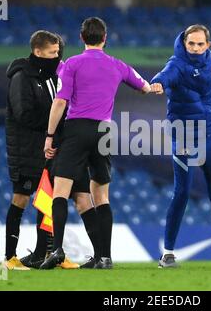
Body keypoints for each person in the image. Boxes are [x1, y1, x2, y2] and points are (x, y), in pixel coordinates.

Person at [40, 17, 151, 270]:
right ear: (105, 38)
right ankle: (104, 257)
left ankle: (57, 249)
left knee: (60, 190)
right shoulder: (118, 65)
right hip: (103, 131)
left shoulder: (71, 65)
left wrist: (49, 135)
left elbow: (60, 102)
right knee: (101, 196)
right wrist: (153, 87)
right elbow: (144, 86)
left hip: (76, 129)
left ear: (82, 38)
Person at [3, 31, 97, 270]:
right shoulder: (22, 76)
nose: (57, 57)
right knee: (21, 198)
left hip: (53, 148)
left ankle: (46, 253)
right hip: (27, 148)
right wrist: (53, 124)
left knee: (49, 200)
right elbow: (23, 113)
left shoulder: (57, 75)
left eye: (58, 52)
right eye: (52, 53)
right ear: (38, 52)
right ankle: (10, 257)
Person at [150, 25, 211, 268]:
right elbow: (165, 75)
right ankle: (167, 253)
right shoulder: (177, 64)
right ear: (185, 43)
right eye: (192, 44)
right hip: (185, 137)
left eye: (201, 44)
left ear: (208, 45)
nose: (196, 49)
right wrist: (158, 83)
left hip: (210, 134)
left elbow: (209, 96)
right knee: (182, 192)